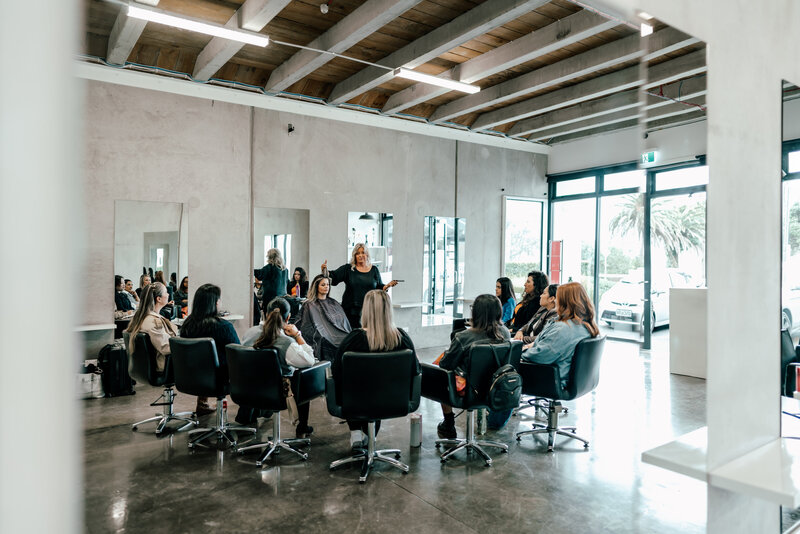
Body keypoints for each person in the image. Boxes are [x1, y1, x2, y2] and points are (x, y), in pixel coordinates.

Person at [334, 290, 417, 451]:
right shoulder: (402, 338)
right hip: (393, 400)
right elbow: (415, 371)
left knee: (352, 385)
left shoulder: (353, 339)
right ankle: (369, 435)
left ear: (366, 310)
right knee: (379, 389)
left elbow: (336, 372)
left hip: (355, 401)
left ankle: (356, 433)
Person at [236, 298, 316, 436]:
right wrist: (297, 335)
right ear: (289, 317)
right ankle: (302, 427)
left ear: (266, 314)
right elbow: (309, 361)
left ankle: (251, 413)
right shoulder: (286, 342)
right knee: (305, 376)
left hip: (246, 389)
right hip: (277, 395)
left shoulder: (250, 332)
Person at [436, 293, 511, 439]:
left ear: (475, 312)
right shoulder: (505, 333)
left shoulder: (463, 337)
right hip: (495, 386)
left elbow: (446, 364)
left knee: (441, 378)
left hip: (469, 389)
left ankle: (449, 423)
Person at [522, 282, 600, 389]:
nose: (555, 301)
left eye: (557, 298)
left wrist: (521, 352)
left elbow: (540, 356)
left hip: (551, 378)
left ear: (564, 302)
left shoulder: (563, 329)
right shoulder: (587, 326)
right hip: (573, 379)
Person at [180, 283, 239, 416]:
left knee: (206, 362)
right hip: (219, 379)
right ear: (215, 303)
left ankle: (202, 403)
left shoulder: (187, 325)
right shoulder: (223, 326)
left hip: (189, 377)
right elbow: (237, 353)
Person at [321, 243, 398, 328]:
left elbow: (379, 287)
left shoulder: (374, 270)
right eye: (358, 253)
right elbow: (334, 277)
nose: (360, 255)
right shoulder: (348, 269)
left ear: (367, 255)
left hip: (369, 310)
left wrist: (387, 286)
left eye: (363, 253)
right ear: (354, 256)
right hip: (350, 311)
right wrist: (325, 271)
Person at [124, 282, 178, 375]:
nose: (168, 294)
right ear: (159, 299)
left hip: (144, 368)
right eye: (166, 292)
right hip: (165, 367)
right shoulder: (154, 321)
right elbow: (165, 348)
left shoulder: (139, 318)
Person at [296, 275, 351, 361]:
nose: (326, 287)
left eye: (328, 284)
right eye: (323, 285)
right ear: (316, 286)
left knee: (349, 339)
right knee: (324, 340)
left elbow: (344, 323)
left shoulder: (334, 303)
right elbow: (305, 326)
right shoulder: (309, 305)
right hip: (322, 337)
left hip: (338, 335)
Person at [515, 283, 559, 348]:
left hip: (533, 345)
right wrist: (520, 331)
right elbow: (528, 324)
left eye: (544, 293)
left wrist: (522, 338)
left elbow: (542, 336)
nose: (540, 296)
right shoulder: (542, 308)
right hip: (526, 342)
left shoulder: (554, 313)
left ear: (551, 298)